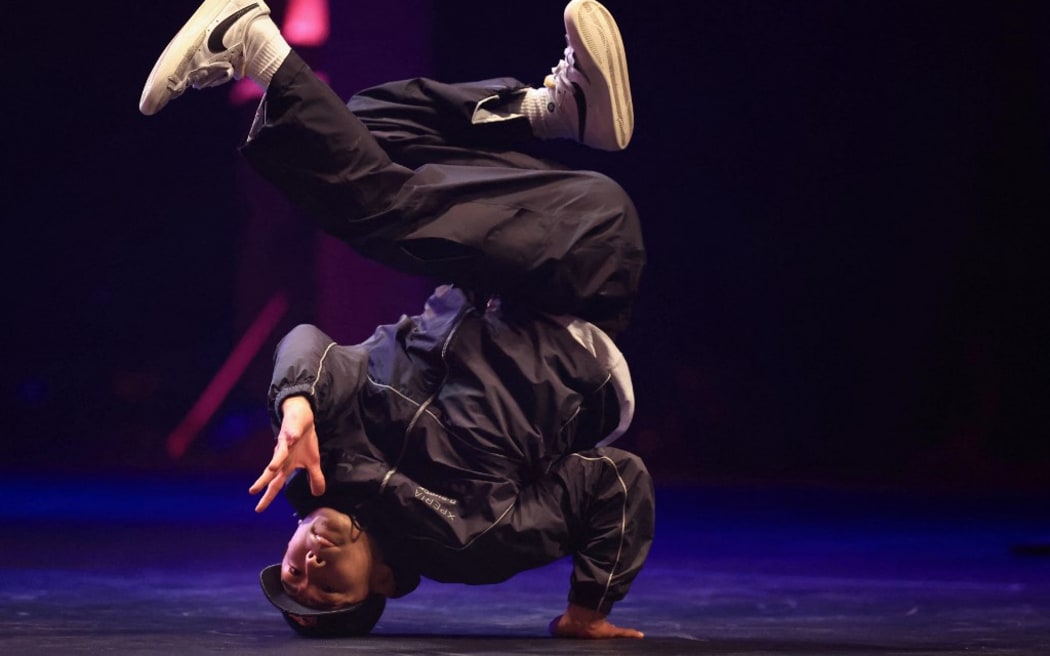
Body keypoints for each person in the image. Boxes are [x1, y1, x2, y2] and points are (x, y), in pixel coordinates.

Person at [140, 0, 653, 640]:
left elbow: (305, 342)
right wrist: (589, 609)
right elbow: (615, 483)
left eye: (293, 573)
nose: (310, 567)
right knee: (384, 212)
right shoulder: (472, 541)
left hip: (507, 256)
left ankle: (552, 111)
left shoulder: (326, 452)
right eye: (328, 588)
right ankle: (251, 43)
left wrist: (296, 403)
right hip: (578, 281)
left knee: (366, 124)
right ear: (382, 584)